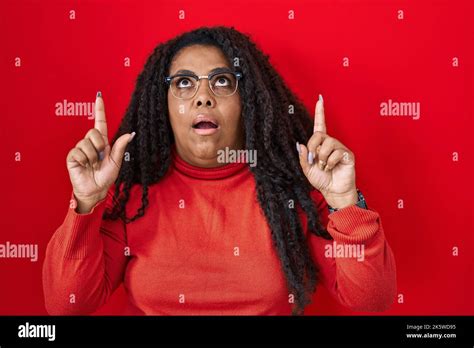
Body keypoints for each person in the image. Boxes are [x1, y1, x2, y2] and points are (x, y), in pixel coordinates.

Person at [42, 26, 396, 316]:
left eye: (223, 81)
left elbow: (372, 300)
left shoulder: (294, 194)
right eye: (183, 83)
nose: (203, 97)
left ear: (249, 101)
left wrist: (346, 203)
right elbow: (66, 305)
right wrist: (86, 202)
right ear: (162, 105)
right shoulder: (132, 197)